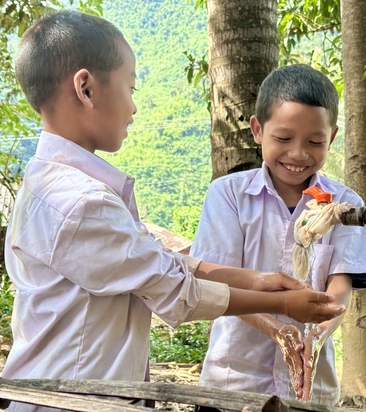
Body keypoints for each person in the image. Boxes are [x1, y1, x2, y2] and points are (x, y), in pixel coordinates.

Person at [2, 11, 346, 410]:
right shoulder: (79, 203)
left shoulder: (60, 187)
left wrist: (260, 280)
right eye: (130, 87)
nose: (133, 107)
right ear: (86, 89)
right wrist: (280, 303)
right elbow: (172, 291)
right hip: (70, 402)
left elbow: (155, 262)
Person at [191, 64, 366, 406]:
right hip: (233, 385)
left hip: (310, 393)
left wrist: (317, 334)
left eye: (315, 142)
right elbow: (220, 282)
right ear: (257, 130)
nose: (298, 154)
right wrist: (277, 329)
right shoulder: (229, 195)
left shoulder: (345, 204)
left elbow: (341, 284)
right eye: (283, 138)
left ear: (332, 138)